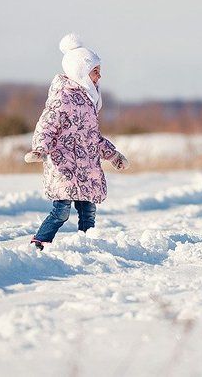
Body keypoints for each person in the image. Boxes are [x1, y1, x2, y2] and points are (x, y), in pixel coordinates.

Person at [27, 33, 128, 250]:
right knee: (62, 210)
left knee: (88, 210)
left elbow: (93, 137)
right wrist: (39, 149)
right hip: (64, 164)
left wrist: (113, 155)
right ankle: (40, 241)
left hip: (86, 166)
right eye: (95, 71)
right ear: (80, 71)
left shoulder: (90, 101)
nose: (99, 77)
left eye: (99, 71)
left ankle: (87, 243)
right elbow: (47, 124)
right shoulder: (63, 97)